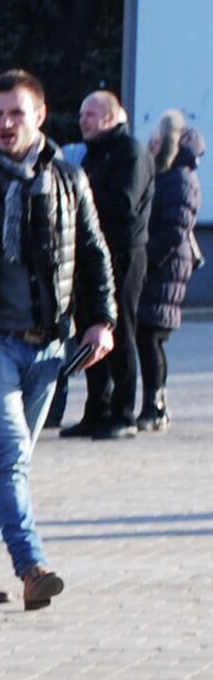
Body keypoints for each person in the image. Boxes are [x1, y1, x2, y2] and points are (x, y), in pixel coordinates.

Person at [0, 69, 114, 612]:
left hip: (50, 346)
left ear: (40, 115)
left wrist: (101, 320)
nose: (6, 123)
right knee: (11, 455)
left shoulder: (67, 177)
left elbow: (93, 253)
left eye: (17, 112)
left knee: (8, 462)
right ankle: (32, 567)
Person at [71, 90, 154, 439]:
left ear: (109, 116)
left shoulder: (129, 152)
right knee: (90, 329)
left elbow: (123, 203)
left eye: (89, 115)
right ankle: (97, 410)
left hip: (123, 253)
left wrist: (83, 197)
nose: (82, 121)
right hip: (94, 254)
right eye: (81, 115)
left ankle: (123, 413)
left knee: (120, 331)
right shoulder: (94, 153)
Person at [135, 112, 203, 433]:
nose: (150, 145)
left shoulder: (180, 178)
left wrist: (144, 260)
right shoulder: (162, 175)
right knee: (148, 337)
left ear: (168, 143)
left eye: (156, 140)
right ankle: (153, 405)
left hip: (164, 269)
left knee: (150, 336)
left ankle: (155, 407)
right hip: (157, 266)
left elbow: (175, 229)